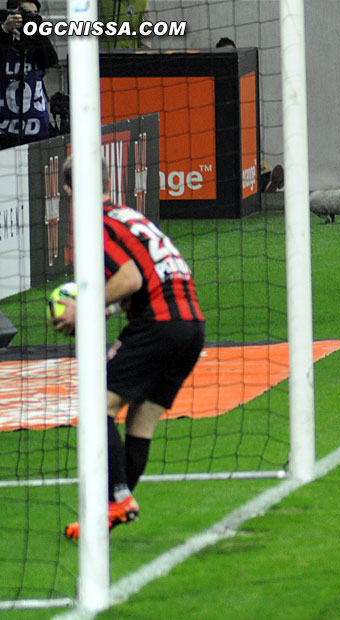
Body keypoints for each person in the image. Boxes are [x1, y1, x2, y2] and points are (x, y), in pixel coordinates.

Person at [55, 157, 205, 538]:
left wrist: (82, 308)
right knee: (141, 422)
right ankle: (106, 514)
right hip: (191, 327)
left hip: (158, 324)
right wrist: (107, 305)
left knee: (95, 405)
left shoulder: (97, 224)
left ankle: (118, 498)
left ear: (69, 192)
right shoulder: (129, 216)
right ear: (108, 181)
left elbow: (131, 277)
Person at [216, 36, 284, 193]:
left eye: (232, 54)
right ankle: (264, 185)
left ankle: (268, 182)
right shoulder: (214, 83)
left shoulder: (244, 79)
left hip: (243, 138)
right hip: (224, 143)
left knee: (253, 160)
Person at [0, 0, 57, 149]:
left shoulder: (36, 42)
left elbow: (51, 60)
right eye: (26, 13)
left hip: (37, 130)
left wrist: (36, 30)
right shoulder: (4, 36)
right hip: (4, 131)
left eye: (35, 15)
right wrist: (5, 29)